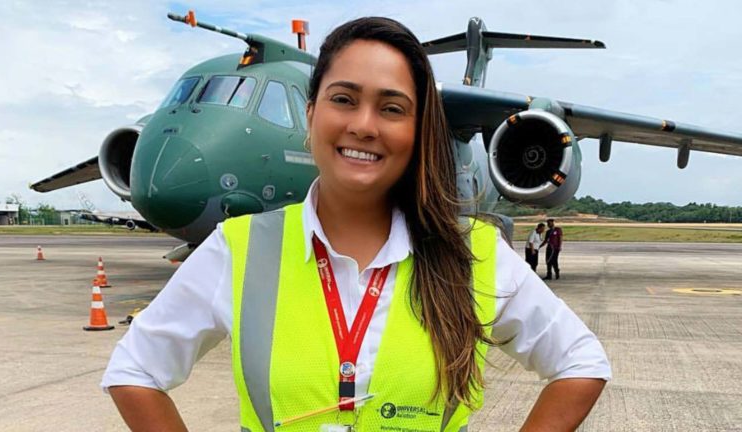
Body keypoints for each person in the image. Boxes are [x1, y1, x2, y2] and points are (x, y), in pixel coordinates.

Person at [102, 17, 609, 431]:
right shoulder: (240, 249)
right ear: (311, 114)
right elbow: (134, 369)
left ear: (418, 131)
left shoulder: (470, 253)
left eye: (392, 108)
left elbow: (581, 361)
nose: (363, 125)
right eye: (343, 99)